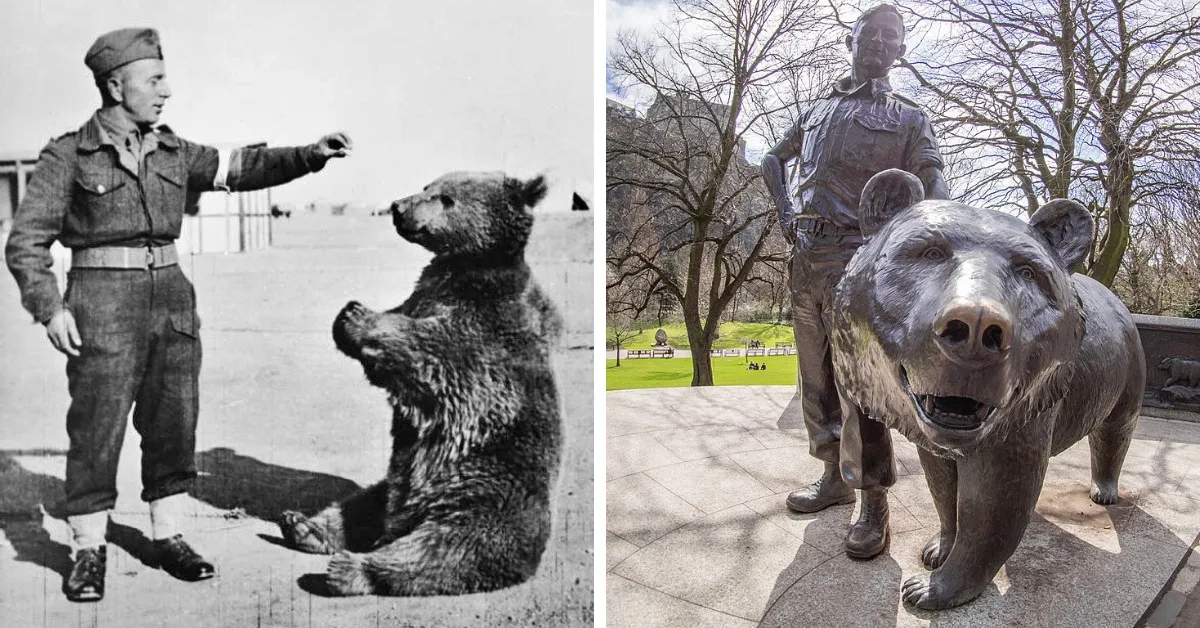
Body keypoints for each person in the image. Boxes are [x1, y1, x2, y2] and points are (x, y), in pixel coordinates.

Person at [4, 27, 352, 602]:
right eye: (155, 80)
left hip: (172, 300)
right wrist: (49, 308)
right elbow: (26, 244)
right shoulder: (67, 155)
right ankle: (88, 549)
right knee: (97, 427)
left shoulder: (174, 150)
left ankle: (169, 534)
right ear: (116, 86)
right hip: (100, 302)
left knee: (174, 422)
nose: (168, 91)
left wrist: (309, 156)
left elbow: (241, 167)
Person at [760, 4, 949, 559]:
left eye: (892, 36)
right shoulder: (820, 106)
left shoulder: (910, 117)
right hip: (805, 254)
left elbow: (932, 182)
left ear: (900, 52)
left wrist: (925, 238)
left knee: (860, 384)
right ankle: (832, 476)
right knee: (814, 378)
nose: (880, 41)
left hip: (858, 257)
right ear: (853, 38)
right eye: (872, 32)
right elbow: (773, 159)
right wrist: (784, 212)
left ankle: (873, 503)